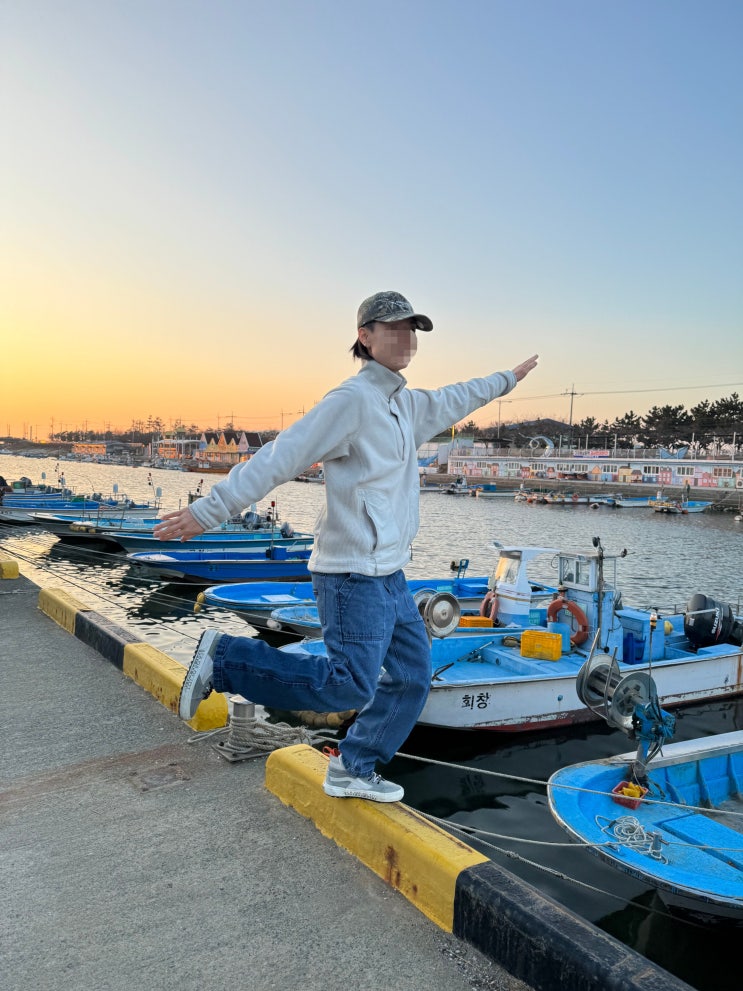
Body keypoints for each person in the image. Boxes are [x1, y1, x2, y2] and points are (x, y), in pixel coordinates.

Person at [154, 291, 538, 802]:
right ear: (365, 336)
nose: (405, 338)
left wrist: (507, 379)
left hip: (389, 573)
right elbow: (280, 456)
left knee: (413, 675)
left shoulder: (407, 405)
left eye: (411, 329)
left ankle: (353, 767)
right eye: (393, 328)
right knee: (349, 684)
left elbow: (460, 396)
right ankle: (225, 659)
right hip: (351, 572)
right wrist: (207, 512)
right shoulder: (351, 401)